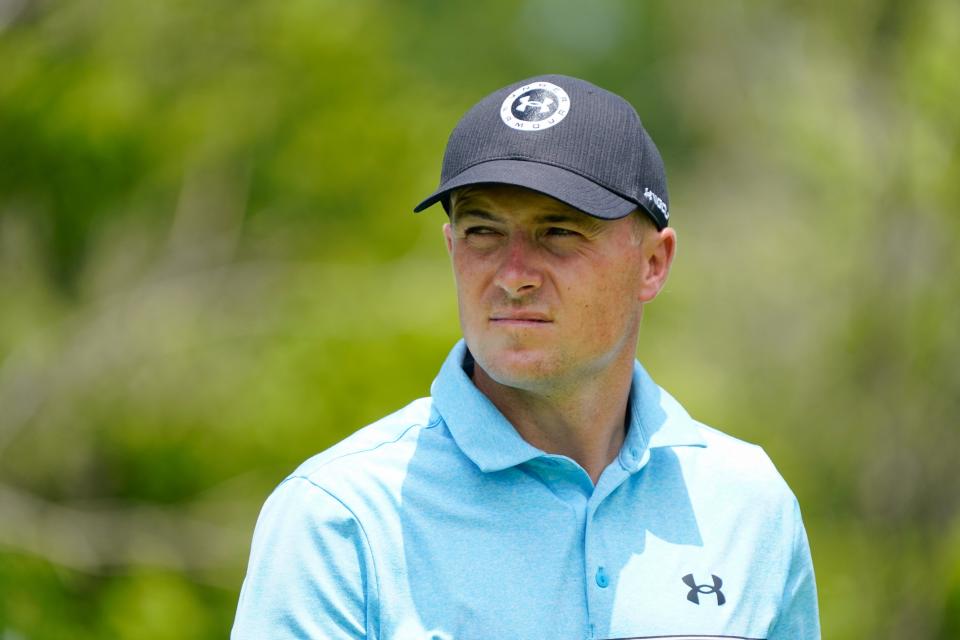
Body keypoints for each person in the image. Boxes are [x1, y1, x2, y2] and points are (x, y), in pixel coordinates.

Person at [231, 74, 820, 640]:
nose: (512, 276)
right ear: (450, 247)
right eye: (482, 231)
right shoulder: (340, 517)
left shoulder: (749, 503)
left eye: (559, 232)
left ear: (653, 264)